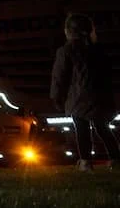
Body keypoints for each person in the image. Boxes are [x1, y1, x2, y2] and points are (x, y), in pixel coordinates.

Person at [51, 13, 120, 170]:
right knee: (103, 128)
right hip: (99, 98)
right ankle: (116, 158)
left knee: (81, 129)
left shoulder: (65, 51)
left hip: (77, 99)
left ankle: (85, 161)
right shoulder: (98, 51)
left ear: (69, 31)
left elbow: (59, 77)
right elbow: (108, 76)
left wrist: (56, 97)